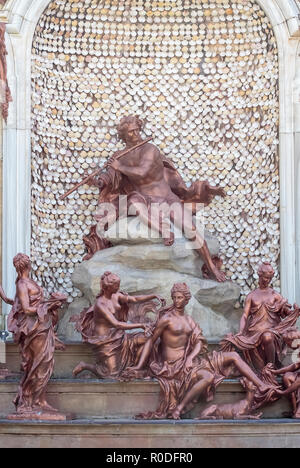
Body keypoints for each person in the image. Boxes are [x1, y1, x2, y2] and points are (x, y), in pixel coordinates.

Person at [91, 115, 227, 282]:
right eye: (131, 132)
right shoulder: (119, 155)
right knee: (133, 203)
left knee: (190, 228)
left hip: (167, 198)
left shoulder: (150, 149)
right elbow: (112, 178)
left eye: (137, 130)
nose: (136, 134)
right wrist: (99, 181)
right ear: (124, 135)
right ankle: (164, 232)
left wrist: (119, 166)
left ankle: (211, 267)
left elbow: (143, 171)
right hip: (147, 200)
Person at [123, 282, 273, 419]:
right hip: (173, 367)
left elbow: (199, 342)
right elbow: (150, 341)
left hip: (191, 361)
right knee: (208, 377)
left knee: (233, 355)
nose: (177, 300)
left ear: (186, 299)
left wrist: (190, 358)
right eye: (174, 297)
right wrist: (138, 366)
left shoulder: (189, 320)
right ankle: (179, 409)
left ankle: (261, 385)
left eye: (180, 297)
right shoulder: (166, 319)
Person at [6, 253, 67, 416]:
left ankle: (41, 400)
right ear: (27, 265)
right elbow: (26, 309)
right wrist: (46, 307)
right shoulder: (22, 284)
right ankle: (29, 400)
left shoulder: (28, 282)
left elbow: (28, 304)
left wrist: (51, 305)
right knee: (38, 364)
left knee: (45, 363)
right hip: (33, 328)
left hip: (41, 326)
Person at [72, 271, 162, 379]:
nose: (118, 287)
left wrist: (153, 296)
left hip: (119, 335)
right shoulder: (100, 305)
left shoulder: (116, 295)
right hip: (106, 341)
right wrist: (141, 325)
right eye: (116, 285)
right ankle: (86, 366)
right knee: (111, 375)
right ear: (108, 287)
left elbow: (134, 299)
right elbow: (117, 324)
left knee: (148, 339)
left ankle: (137, 368)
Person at [221, 263, 300, 371]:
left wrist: (294, 312)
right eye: (266, 277)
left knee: (267, 336)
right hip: (254, 332)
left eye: (270, 278)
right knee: (228, 340)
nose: (267, 280)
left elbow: (286, 312)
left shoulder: (275, 295)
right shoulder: (251, 296)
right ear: (259, 275)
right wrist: (241, 331)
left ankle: (271, 367)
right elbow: (245, 315)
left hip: (273, 331)